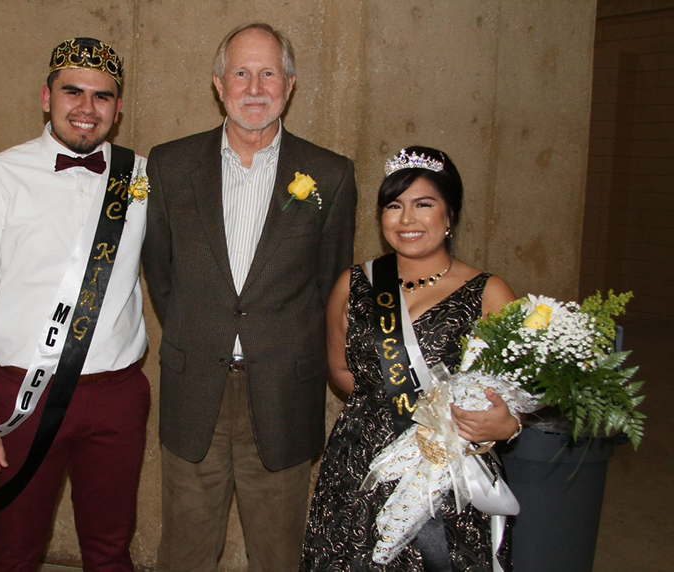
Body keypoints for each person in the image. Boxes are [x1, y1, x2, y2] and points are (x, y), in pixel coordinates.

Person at [142, 22, 358, 572]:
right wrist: (204, 329)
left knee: (280, 554)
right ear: (219, 83)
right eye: (242, 73)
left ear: (289, 85)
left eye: (268, 74)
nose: (254, 87)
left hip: (284, 392)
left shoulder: (329, 176)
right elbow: (160, 273)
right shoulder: (169, 166)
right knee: (184, 552)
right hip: (196, 391)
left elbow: (332, 286)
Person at [0, 37, 150, 572]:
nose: (87, 108)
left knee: (110, 553)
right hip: (19, 394)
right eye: (72, 92)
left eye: (102, 97)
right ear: (46, 97)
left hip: (117, 397)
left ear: (118, 107)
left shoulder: (146, 179)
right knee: (15, 551)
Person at [300, 145, 521, 571]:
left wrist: (505, 423)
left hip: (448, 471)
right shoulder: (354, 284)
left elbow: (514, 395)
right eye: (394, 206)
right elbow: (341, 371)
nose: (406, 220)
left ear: (450, 214)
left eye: (424, 204)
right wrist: (382, 414)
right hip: (359, 468)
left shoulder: (490, 293)